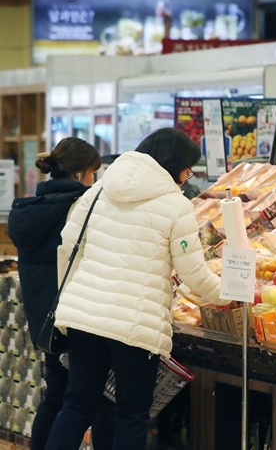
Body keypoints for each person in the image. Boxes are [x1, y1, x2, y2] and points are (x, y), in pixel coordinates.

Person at [46, 128, 228, 450]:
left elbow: (69, 247)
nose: (188, 175)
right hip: (135, 327)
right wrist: (232, 292)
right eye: (188, 168)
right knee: (131, 414)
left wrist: (72, 295)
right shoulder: (175, 204)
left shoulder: (98, 190)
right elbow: (193, 274)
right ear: (174, 163)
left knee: (76, 406)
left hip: (85, 318)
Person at [8, 138, 114, 450]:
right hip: (76, 315)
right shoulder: (79, 209)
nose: (94, 180)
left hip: (44, 319)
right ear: (81, 174)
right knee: (81, 400)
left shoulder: (28, 211)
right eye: (93, 173)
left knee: (55, 392)